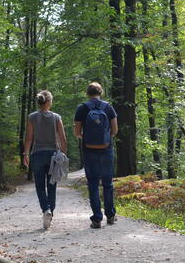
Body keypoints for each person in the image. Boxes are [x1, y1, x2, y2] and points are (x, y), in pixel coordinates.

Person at [74, 82, 118, 228]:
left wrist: (87, 138)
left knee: (92, 184)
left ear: (88, 93)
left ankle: (97, 219)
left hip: (89, 150)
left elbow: (77, 132)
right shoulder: (108, 107)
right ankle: (110, 215)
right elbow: (115, 130)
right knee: (107, 183)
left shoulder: (82, 108)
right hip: (106, 149)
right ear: (101, 92)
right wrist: (105, 138)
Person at [23, 90, 68, 230]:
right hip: (53, 156)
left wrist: (25, 153)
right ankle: (50, 214)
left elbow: (29, 137)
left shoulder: (32, 117)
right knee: (52, 185)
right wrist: (64, 154)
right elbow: (62, 137)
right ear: (48, 102)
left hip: (37, 154)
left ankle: (46, 210)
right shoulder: (56, 117)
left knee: (40, 186)